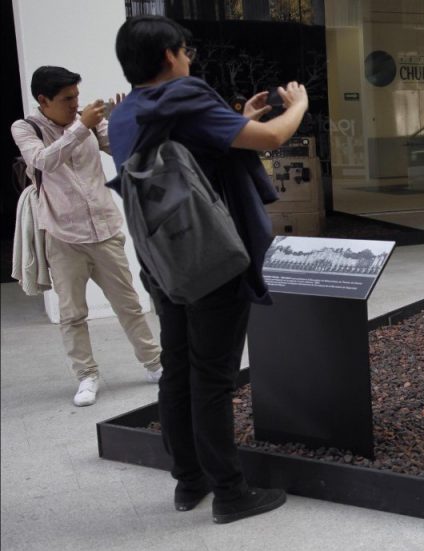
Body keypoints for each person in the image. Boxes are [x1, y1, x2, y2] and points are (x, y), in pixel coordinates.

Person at [107, 15, 308, 524]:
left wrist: (236, 117)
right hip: (211, 256)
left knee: (177, 368)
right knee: (213, 376)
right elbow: (269, 138)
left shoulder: (126, 113)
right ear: (169, 55)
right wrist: (298, 106)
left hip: (162, 261)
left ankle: (188, 480)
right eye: (186, 50)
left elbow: (190, 154)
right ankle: (231, 493)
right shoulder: (186, 96)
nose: (189, 59)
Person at [10, 66, 163, 407]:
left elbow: (127, 152)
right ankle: (86, 376)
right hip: (63, 236)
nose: (75, 104)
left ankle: (154, 364)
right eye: (67, 99)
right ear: (43, 100)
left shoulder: (87, 121)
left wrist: (124, 122)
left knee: (129, 305)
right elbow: (43, 161)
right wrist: (82, 128)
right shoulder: (26, 128)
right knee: (72, 314)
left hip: (104, 230)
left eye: (77, 96)